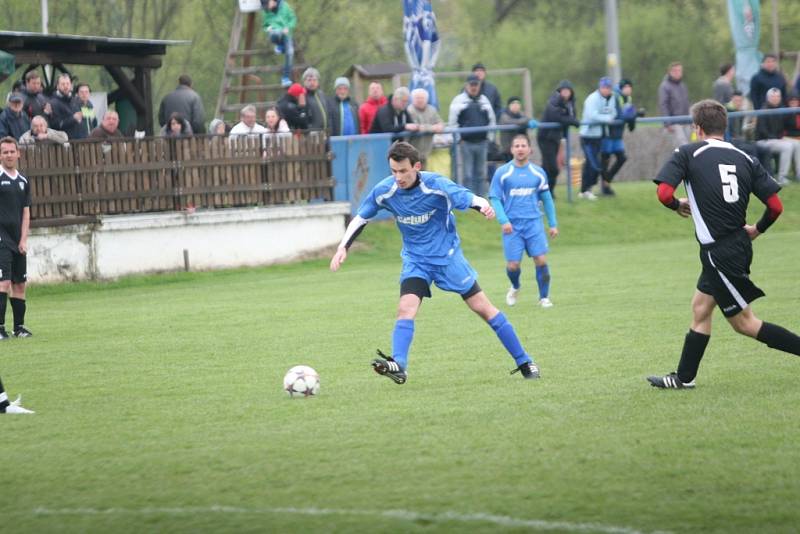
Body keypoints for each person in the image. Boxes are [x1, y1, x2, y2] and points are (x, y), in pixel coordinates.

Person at [330, 141, 541, 383]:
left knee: (483, 309)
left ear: (416, 166)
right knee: (405, 309)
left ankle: (525, 361)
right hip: (416, 261)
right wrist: (342, 246)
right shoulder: (385, 190)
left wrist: (483, 206)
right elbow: (361, 217)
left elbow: (467, 197)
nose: (397, 177)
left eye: (403, 171)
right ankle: (399, 364)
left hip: (447, 259)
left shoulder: (436, 185)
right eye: (393, 171)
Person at [647, 99, 800, 389]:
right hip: (733, 247)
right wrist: (757, 229)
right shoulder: (745, 157)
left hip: (721, 253)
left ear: (697, 128)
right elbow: (776, 206)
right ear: (724, 126)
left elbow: (664, 192)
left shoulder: (688, 153)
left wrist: (676, 204)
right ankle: (683, 378)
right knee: (700, 309)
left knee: (745, 324)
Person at [489, 134, 559, 309]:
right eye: (517, 146)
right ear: (511, 149)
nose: (520, 149)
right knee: (513, 265)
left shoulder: (538, 173)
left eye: (523, 146)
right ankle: (515, 286)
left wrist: (552, 224)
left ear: (530, 149)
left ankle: (544, 298)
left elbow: (547, 199)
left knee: (541, 260)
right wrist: (503, 220)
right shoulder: (503, 173)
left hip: (534, 223)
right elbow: (494, 198)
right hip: (512, 226)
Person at [0, 137, 33, 339]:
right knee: (3, 283)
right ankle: (0, 328)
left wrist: (23, 240)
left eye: (12, 151)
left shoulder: (23, 181)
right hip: (1, 240)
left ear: (18, 153)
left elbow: (26, 213)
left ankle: (19, 327)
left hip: (17, 240)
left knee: (19, 284)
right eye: (5, 152)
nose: (9, 155)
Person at [448, 74, 496, 197]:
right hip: (466, 143)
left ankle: (481, 198)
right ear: (467, 85)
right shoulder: (458, 100)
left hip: (482, 142)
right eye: (471, 85)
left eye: (476, 85)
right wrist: (459, 140)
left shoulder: (484, 100)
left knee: (481, 173)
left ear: (479, 86)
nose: (474, 87)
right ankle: (468, 199)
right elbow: (452, 123)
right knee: (467, 174)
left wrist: (489, 138)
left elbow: (492, 120)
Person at [537, 80, 579, 195]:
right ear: (559, 91)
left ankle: (548, 192)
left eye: (568, 90)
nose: (565, 93)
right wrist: (572, 121)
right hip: (545, 137)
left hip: (556, 137)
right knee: (552, 168)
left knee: (549, 167)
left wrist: (572, 120)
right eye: (563, 90)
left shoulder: (570, 103)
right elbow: (556, 116)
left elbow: (571, 116)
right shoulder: (554, 101)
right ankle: (546, 191)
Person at [578, 77, 616, 200]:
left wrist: (609, 116)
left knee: (592, 164)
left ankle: (585, 190)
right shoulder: (592, 98)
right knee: (592, 164)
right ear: (600, 87)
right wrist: (607, 118)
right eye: (605, 87)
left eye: (609, 87)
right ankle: (585, 190)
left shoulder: (611, 98)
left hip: (599, 136)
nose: (607, 90)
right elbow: (591, 115)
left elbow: (613, 112)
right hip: (587, 136)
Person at [600, 78, 638, 195]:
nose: (629, 89)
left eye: (630, 87)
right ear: (621, 88)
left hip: (618, 134)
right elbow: (621, 115)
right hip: (609, 133)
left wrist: (632, 121)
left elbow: (629, 114)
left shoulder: (627, 98)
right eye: (626, 87)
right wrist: (633, 116)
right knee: (605, 160)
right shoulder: (615, 97)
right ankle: (605, 187)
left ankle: (607, 181)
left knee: (621, 158)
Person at [755, 88, 800, 185]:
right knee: (787, 146)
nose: (775, 99)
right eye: (773, 97)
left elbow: (789, 126)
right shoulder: (763, 110)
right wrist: (778, 138)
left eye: (777, 97)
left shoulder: (782, 109)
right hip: (764, 140)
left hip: (777, 139)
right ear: (768, 98)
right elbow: (763, 131)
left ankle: (798, 174)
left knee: (797, 144)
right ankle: (782, 177)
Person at [261, 0, 296, 87]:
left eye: (267, 4)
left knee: (290, 52)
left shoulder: (285, 6)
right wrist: (267, 28)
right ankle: (279, 45)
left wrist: (288, 27)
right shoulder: (266, 11)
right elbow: (264, 25)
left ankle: (286, 77)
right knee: (275, 33)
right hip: (274, 32)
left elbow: (293, 19)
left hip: (286, 33)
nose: (267, 7)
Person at [405, 88, 444, 165]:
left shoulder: (432, 109)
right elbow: (417, 127)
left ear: (427, 99)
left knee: (424, 174)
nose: (420, 100)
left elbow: (441, 125)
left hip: (427, 151)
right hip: (411, 151)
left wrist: (429, 128)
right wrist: (433, 128)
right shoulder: (409, 110)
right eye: (417, 98)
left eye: (422, 98)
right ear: (412, 99)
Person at [659, 61, 691, 147]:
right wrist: (667, 123)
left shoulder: (683, 85)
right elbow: (663, 105)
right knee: (683, 145)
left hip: (686, 121)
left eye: (679, 70)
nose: (678, 73)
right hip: (675, 122)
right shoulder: (665, 86)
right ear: (670, 72)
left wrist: (691, 120)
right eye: (675, 70)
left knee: (688, 145)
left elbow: (687, 103)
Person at [497, 96, 532, 162]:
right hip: (508, 150)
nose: (516, 105)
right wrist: (526, 121)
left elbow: (525, 120)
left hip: (521, 149)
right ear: (509, 105)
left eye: (517, 103)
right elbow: (510, 122)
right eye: (513, 103)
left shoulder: (521, 115)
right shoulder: (504, 116)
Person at [49, 74, 84, 140]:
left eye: (68, 84)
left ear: (71, 85)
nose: (66, 86)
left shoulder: (76, 100)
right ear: (57, 86)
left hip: (80, 141)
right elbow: (56, 125)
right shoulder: (53, 103)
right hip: (64, 144)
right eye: (63, 84)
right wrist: (73, 119)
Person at [302, 68, 331, 133]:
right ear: (304, 82)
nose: (312, 83)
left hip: (325, 133)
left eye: (314, 80)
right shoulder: (302, 96)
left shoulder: (322, 94)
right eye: (309, 80)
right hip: (311, 135)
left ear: (318, 82)